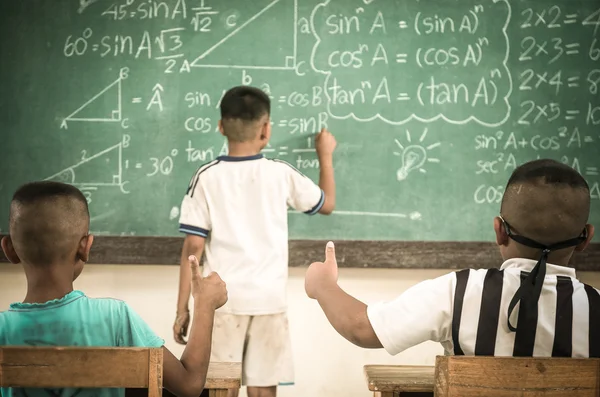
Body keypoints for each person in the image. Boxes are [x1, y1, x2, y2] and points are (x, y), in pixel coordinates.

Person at [305, 159, 600, 358]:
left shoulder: (458, 292)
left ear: (499, 231)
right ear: (586, 238)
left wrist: (322, 285)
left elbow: (362, 329)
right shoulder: (595, 309)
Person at [174, 85, 336, 397]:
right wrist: (324, 155)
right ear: (266, 129)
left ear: (221, 126)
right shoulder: (280, 173)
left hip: (221, 301)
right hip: (268, 299)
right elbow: (325, 204)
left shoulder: (205, 177)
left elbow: (192, 250)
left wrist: (184, 307)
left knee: (221, 387)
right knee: (263, 390)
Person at [0, 181, 228, 397]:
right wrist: (204, 305)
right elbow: (188, 385)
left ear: (9, 249)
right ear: (85, 247)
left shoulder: (3, 330)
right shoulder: (114, 318)